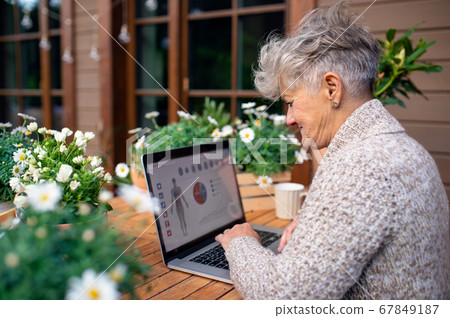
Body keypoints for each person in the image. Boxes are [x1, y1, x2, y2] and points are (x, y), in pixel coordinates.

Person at [215, 1, 449, 299]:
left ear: (331, 89)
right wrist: (317, 225)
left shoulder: (359, 167)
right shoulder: (403, 147)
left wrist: (241, 243)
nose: (288, 118)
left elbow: (284, 299)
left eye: (291, 101)